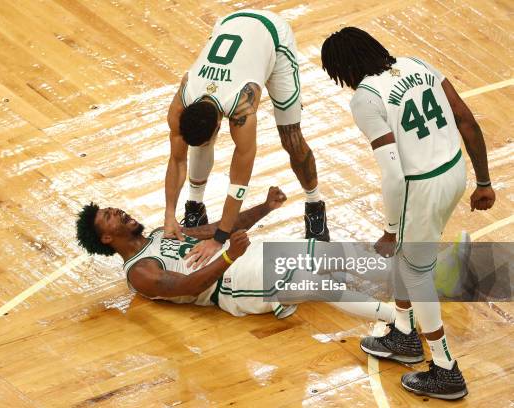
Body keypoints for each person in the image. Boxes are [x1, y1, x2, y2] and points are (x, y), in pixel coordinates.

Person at [321, 27, 496, 400]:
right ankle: (403, 333)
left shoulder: (365, 99)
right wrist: (484, 181)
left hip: (421, 185)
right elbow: (467, 120)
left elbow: (394, 174)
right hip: (454, 171)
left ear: (343, 70)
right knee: (409, 259)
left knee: (415, 272)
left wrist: (389, 228)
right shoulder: (417, 63)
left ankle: (446, 369)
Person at [76, 187, 396, 323]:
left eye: (111, 209)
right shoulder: (138, 272)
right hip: (230, 283)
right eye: (109, 216)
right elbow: (187, 287)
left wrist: (265, 208)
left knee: (328, 253)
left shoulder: (163, 232)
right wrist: (229, 258)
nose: (117, 211)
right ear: (106, 237)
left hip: (243, 256)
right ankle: (399, 320)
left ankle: (412, 277)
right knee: (309, 281)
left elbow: (220, 230)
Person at [164, 10, 329, 271]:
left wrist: (219, 239)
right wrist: (169, 214)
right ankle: (194, 205)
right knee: (198, 144)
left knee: (291, 138)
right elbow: (177, 158)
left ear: (222, 125)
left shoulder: (242, 108)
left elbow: (239, 181)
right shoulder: (183, 97)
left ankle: (315, 204)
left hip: (273, 37)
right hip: (229, 22)